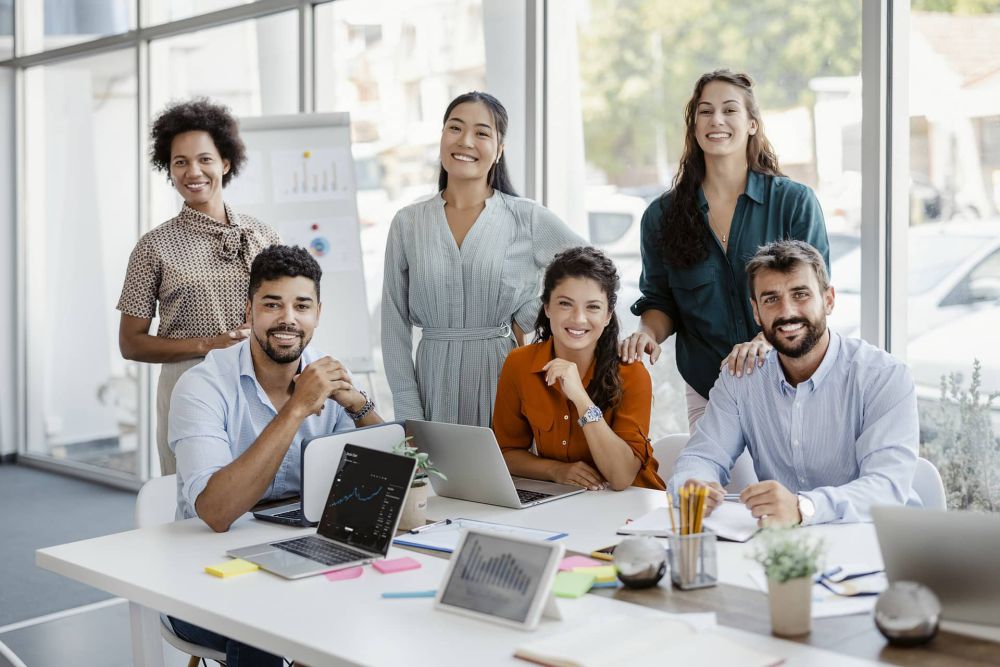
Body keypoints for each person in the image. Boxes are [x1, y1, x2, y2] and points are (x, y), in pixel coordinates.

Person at [166, 245, 381, 666]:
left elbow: (394, 478)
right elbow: (216, 511)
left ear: (318, 313)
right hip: (202, 578)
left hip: (296, 558)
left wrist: (357, 404)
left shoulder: (327, 374)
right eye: (272, 304)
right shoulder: (202, 386)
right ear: (249, 311)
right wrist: (297, 407)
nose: (288, 319)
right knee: (265, 621)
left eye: (302, 306)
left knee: (371, 599)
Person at [619, 70, 829, 431]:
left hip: (791, 380)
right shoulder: (661, 217)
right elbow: (661, 300)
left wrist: (764, 341)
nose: (717, 120)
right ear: (694, 126)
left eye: (729, 110)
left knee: (780, 488)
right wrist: (647, 334)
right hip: (708, 390)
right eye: (705, 111)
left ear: (751, 124)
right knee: (712, 485)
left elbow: (811, 298)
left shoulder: (793, 202)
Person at [669, 240, 920, 526]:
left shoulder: (883, 376)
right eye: (771, 299)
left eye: (800, 294)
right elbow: (701, 456)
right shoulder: (741, 378)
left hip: (877, 540)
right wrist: (694, 484)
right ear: (756, 311)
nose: (787, 312)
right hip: (787, 548)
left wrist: (803, 508)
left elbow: (886, 487)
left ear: (828, 300)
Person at [382, 91, 584, 427]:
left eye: (482, 133)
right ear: (442, 136)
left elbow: (592, 272)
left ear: (499, 149)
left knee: (507, 474)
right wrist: (409, 415)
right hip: (433, 384)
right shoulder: (408, 222)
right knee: (440, 477)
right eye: (455, 128)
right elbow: (393, 323)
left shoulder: (527, 218)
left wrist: (528, 315)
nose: (465, 141)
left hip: (503, 373)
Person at [117, 98, 281, 475]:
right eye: (180, 162)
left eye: (204, 159)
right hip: (186, 380)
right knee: (192, 500)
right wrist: (209, 344)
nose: (194, 171)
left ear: (225, 162)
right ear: (169, 170)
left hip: (257, 379)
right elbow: (130, 343)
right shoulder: (153, 246)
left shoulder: (263, 234)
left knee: (261, 490)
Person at [494, 247, 663, 491]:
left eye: (593, 307)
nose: (579, 318)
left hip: (634, 507)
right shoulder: (519, 364)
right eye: (565, 304)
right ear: (547, 308)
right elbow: (506, 452)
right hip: (567, 501)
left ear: (607, 315)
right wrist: (556, 470)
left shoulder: (631, 373)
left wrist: (581, 399)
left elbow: (622, 477)